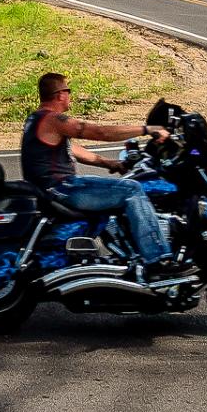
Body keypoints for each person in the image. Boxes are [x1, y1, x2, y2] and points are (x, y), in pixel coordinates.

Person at [21, 73, 178, 279]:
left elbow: (72, 149)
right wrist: (147, 129)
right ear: (60, 95)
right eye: (68, 91)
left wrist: (109, 163)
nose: (70, 95)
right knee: (132, 189)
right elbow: (98, 132)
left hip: (51, 188)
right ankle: (157, 260)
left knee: (121, 190)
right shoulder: (53, 119)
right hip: (62, 187)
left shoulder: (36, 119)